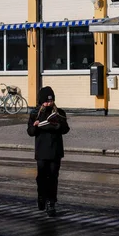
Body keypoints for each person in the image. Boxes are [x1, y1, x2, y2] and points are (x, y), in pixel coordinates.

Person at [27, 86, 70, 217]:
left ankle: (51, 203)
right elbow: (30, 132)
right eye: (46, 101)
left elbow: (66, 129)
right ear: (41, 101)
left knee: (53, 177)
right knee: (41, 177)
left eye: (50, 101)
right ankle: (41, 197)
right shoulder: (35, 113)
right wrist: (35, 126)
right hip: (41, 150)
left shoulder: (59, 112)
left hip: (55, 150)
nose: (48, 103)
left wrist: (58, 125)